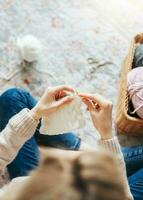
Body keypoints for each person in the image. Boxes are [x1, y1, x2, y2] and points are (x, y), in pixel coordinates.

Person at [0, 86, 132, 199]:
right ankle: (78, 148)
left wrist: (35, 114)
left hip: (26, 181)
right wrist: (107, 135)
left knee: (13, 97)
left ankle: (76, 147)